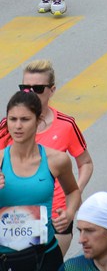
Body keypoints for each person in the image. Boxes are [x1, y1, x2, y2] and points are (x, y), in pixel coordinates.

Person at [2, 60, 93, 259]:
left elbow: (85, 163)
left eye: (38, 88)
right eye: (25, 88)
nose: (30, 93)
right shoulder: (6, 128)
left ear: (51, 90)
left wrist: (72, 204)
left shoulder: (66, 126)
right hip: (10, 226)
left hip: (55, 218)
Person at [0, 89, 80, 271]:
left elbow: (73, 191)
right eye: (12, 119)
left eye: (25, 119)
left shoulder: (56, 160)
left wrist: (70, 213)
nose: (17, 126)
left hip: (45, 255)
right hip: (5, 259)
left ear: (38, 121)